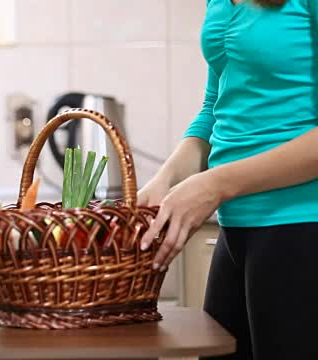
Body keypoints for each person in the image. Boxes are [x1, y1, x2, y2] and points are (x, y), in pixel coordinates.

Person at [137, 0, 318, 358]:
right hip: (236, 229)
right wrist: (166, 178)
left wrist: (214, 185)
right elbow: (214, 106)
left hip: (301, 223)